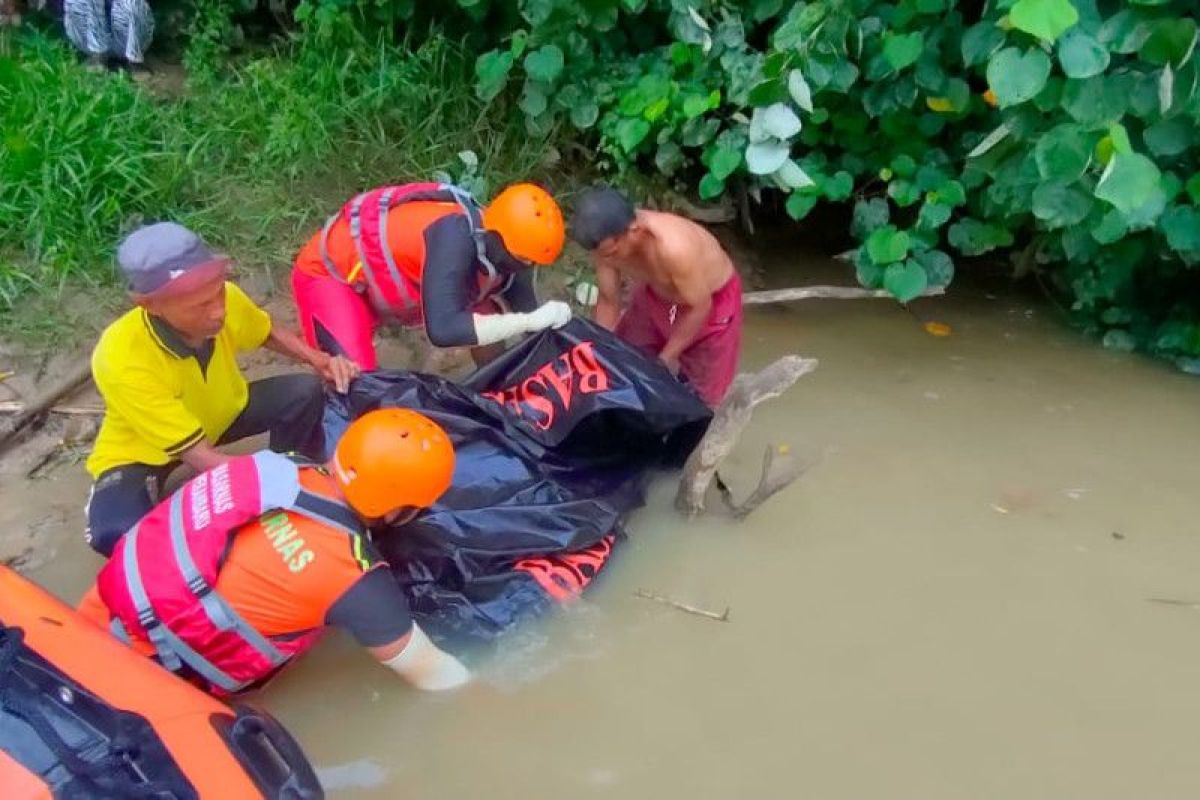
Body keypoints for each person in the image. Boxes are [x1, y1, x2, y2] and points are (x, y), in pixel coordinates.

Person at [77, 408, 470, 694]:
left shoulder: (272, 467)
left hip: (92, 616)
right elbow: (435, 676)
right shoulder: (355, 578)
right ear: (400, 510)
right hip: (139, 679)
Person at [84, 222, 360, 557]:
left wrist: (321, 361)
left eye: (217, 293)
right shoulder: (121, 358)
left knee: (304, 392)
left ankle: (289, 462)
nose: (218, 310)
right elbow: (199, 457)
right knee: (115, 533)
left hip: (223, 413)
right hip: (147, 452)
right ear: (150, 305)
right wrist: (288, 484)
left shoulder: (226, 299)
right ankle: (275, 483)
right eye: (199, 306)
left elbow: (265, 331)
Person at [291, 181, 572, 371]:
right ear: (501, 238)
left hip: (389, 281)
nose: (526, 267)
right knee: (353, 380)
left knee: (486, 307)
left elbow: (529, 312)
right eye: (524, 259)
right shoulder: (453, 240)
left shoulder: (510, 243)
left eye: (533, 262)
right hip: (332, 276)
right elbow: (444, 330)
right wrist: (528, 321)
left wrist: (559, 351)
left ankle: (497, 385)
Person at [569, 186, 744, 408]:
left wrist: (666, 358)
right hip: (656, 294)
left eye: (611, 253)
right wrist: (600, 351)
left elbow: (700, 307)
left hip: (709, 303)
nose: (605, 259)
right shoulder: (606, 245)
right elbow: (608, 300)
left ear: (634, 230)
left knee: (703, 394)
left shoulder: (674, 248)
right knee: (624, 359)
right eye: (601, 254)